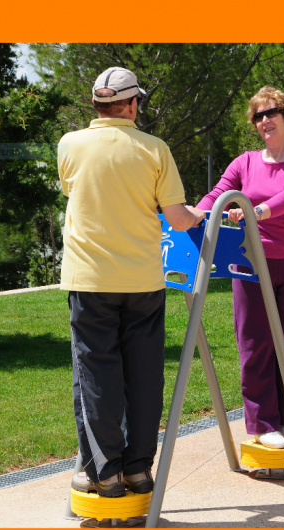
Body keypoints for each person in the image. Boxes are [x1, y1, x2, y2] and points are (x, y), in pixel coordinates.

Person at [58, 67, 205, 497]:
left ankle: (103, 472)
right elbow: (178, 219)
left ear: (97, 104)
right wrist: (197, 212)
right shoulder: (155, 149)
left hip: (90, 280)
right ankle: (138, 470)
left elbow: (74, 191)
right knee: (143, 374)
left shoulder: (70, 144)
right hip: (143, 280)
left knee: (95, 373)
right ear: (133, 103)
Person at [195, 86, 284, 449]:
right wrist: (194, 214)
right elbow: (218, 193)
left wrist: (256, 211)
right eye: (258, 116)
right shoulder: (245, 163)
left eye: (270, 113)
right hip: (249, 262)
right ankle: (262, 423)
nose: (264, 120)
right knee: (254, 344)